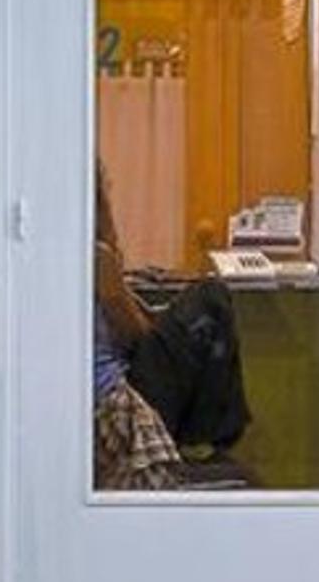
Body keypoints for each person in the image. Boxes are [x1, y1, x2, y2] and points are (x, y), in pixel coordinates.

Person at [94, 161, 252, 489]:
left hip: (115, 384)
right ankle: (215, 437)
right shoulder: (97, 257)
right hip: (118, 393)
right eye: (106, 188)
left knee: (200, 311)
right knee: (212, 298)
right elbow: (134, 332)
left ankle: (211, 437)